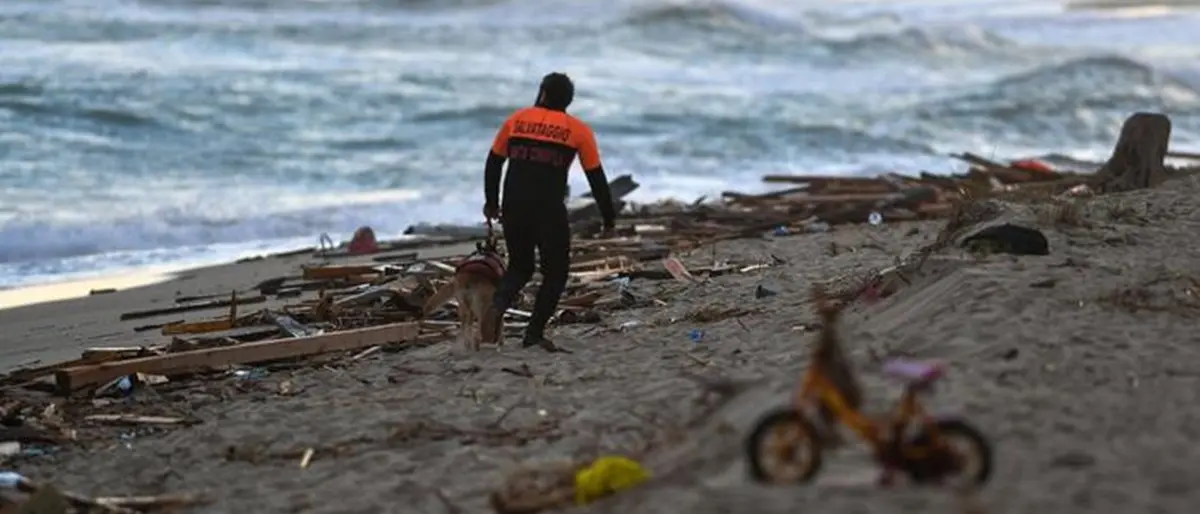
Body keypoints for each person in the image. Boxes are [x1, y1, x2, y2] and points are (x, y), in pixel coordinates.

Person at [479, 72, 617, 351]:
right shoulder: (578, 131)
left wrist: (492, 202)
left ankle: (497, 305)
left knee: (520, 266)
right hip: (548, 209)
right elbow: (596, 177)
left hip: (514, 205)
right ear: (568, 100)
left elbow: (494, 163)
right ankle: (533, 334)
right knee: (555, 274)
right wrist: (608, 217)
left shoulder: (516, 121)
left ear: (542, 94)